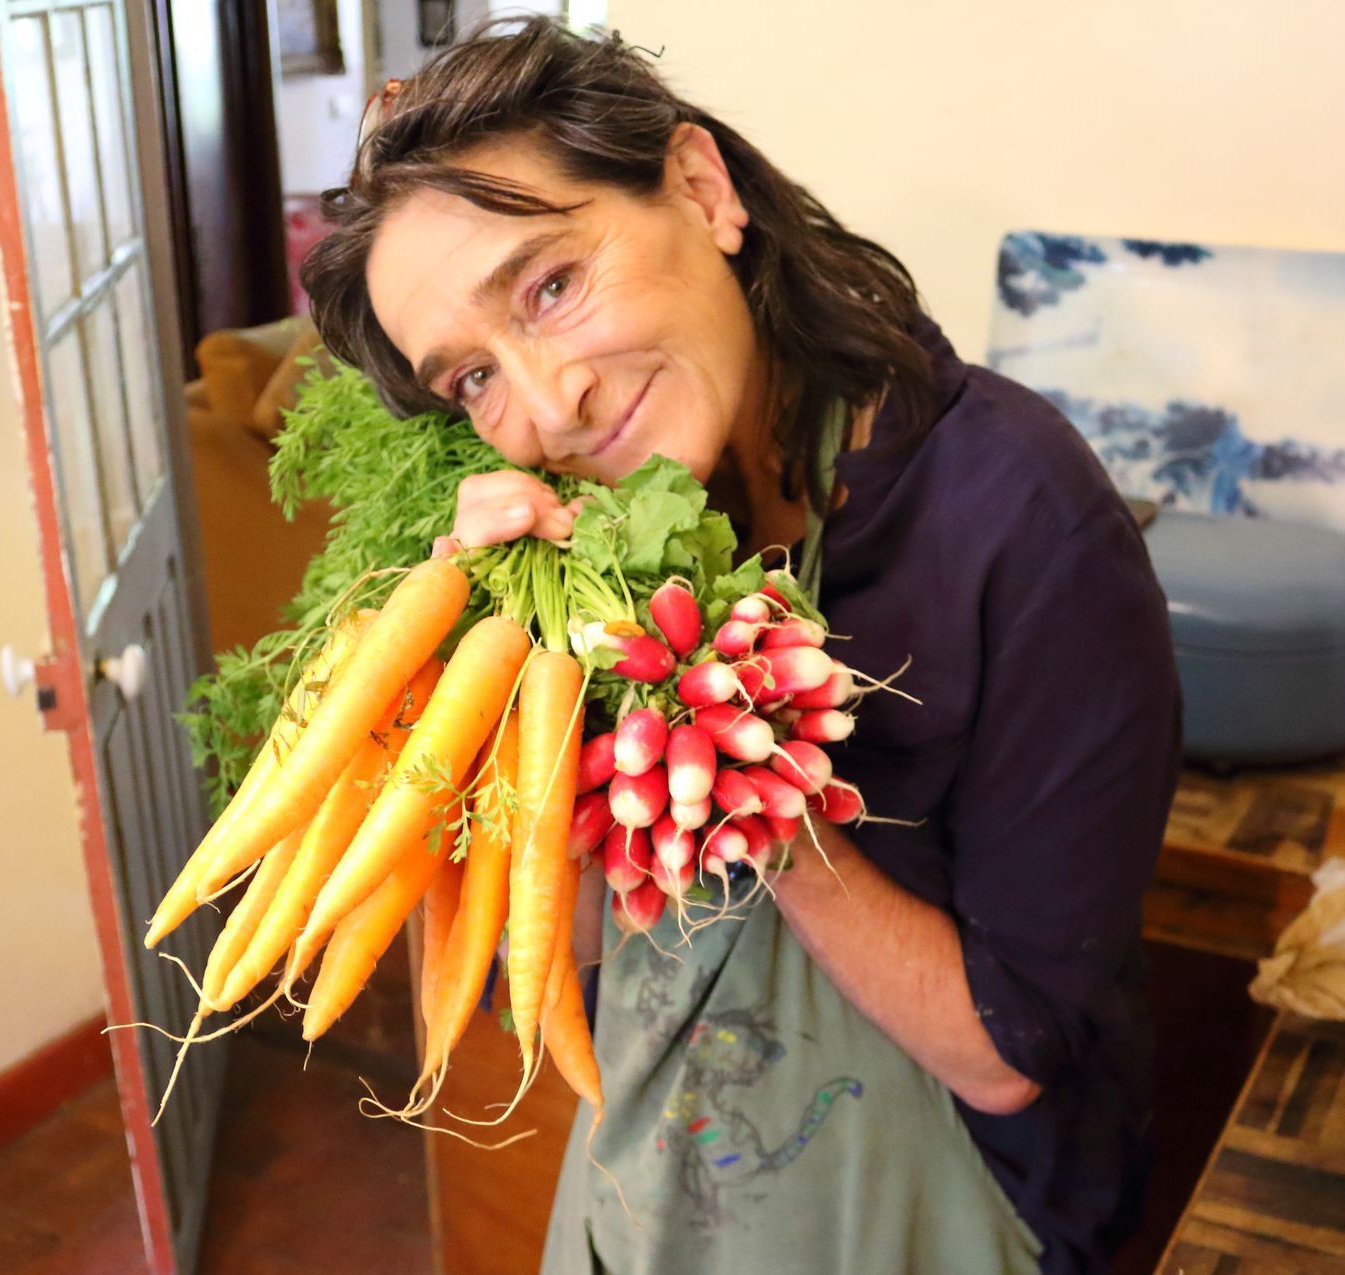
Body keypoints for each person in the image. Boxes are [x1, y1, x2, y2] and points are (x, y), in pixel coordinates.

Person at [300, 18, 1181, 1275]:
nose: (546, 409)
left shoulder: (1020, 520)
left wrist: (744, 772)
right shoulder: (599, 545)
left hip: (950, 1216)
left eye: (552, 285)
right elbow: (571, 964)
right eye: (473, 381)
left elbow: (1006, 1063)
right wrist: (489, 695)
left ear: (702, 191)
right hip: (659, 1198)